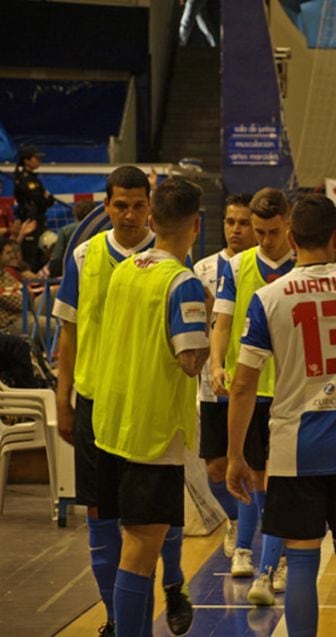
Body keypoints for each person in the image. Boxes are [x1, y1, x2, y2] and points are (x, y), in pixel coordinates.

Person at [226, 193, 336, 637]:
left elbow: (242, 384)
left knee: (300, 560)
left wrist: (236, 454)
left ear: (292, 237)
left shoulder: (268, 298)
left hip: (295, 447)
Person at [53, 166, 193, 636]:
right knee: (103, 516)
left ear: (151, 210)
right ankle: (116, 618)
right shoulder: (87, 255)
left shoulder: (171, 262)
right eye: (120, 205)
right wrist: (63, 399)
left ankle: (172, 584)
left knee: (152, 521)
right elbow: (68, 333)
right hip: (98, 401)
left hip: (150, 407)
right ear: (106, 206)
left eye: (138, 205)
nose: (130, 214)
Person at [91, 177, 209, 636]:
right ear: (196, 226)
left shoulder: (125, 269)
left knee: (130, 549)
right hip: (152, 433)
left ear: (153, 219)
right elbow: (189, 362)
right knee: (140, 556)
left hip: (110, 426)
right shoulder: (183, 283)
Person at [210, 187, 294, 605]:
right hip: (248, 387)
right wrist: (216, 361)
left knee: (277, 479)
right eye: (257, 231)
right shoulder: (237, 265)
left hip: (291, 391)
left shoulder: (303, 264)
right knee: (248, 473)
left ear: (288, 224)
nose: (263, 239)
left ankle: (275, 560)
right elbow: (222, 321)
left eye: (271, 231)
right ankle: (245, 547)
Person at [193, 193, 258, 579]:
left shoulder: (266, 268)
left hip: (254, 387)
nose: (236, 229)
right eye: (231, 222)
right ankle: (237, 519)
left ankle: (248, 545)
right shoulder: (202, 269)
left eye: (243, 223)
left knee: (250, 467)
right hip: (213, 386)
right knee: (216, 469)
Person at [13, 146, 54, 271]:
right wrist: (47, 198)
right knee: (31, 256)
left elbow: (47, 199)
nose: (38, 160)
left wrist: (48, 198)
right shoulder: (26, 180)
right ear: (27, 161)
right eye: (35, 158)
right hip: (30, 222)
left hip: (39, 221)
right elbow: (41, 200)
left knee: (42, 253)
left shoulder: (33, 178)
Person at [49, 200, 97, 278]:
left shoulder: (65, 231)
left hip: (71, 271)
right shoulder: (100, 229)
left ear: (75, 214)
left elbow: (57, 258)